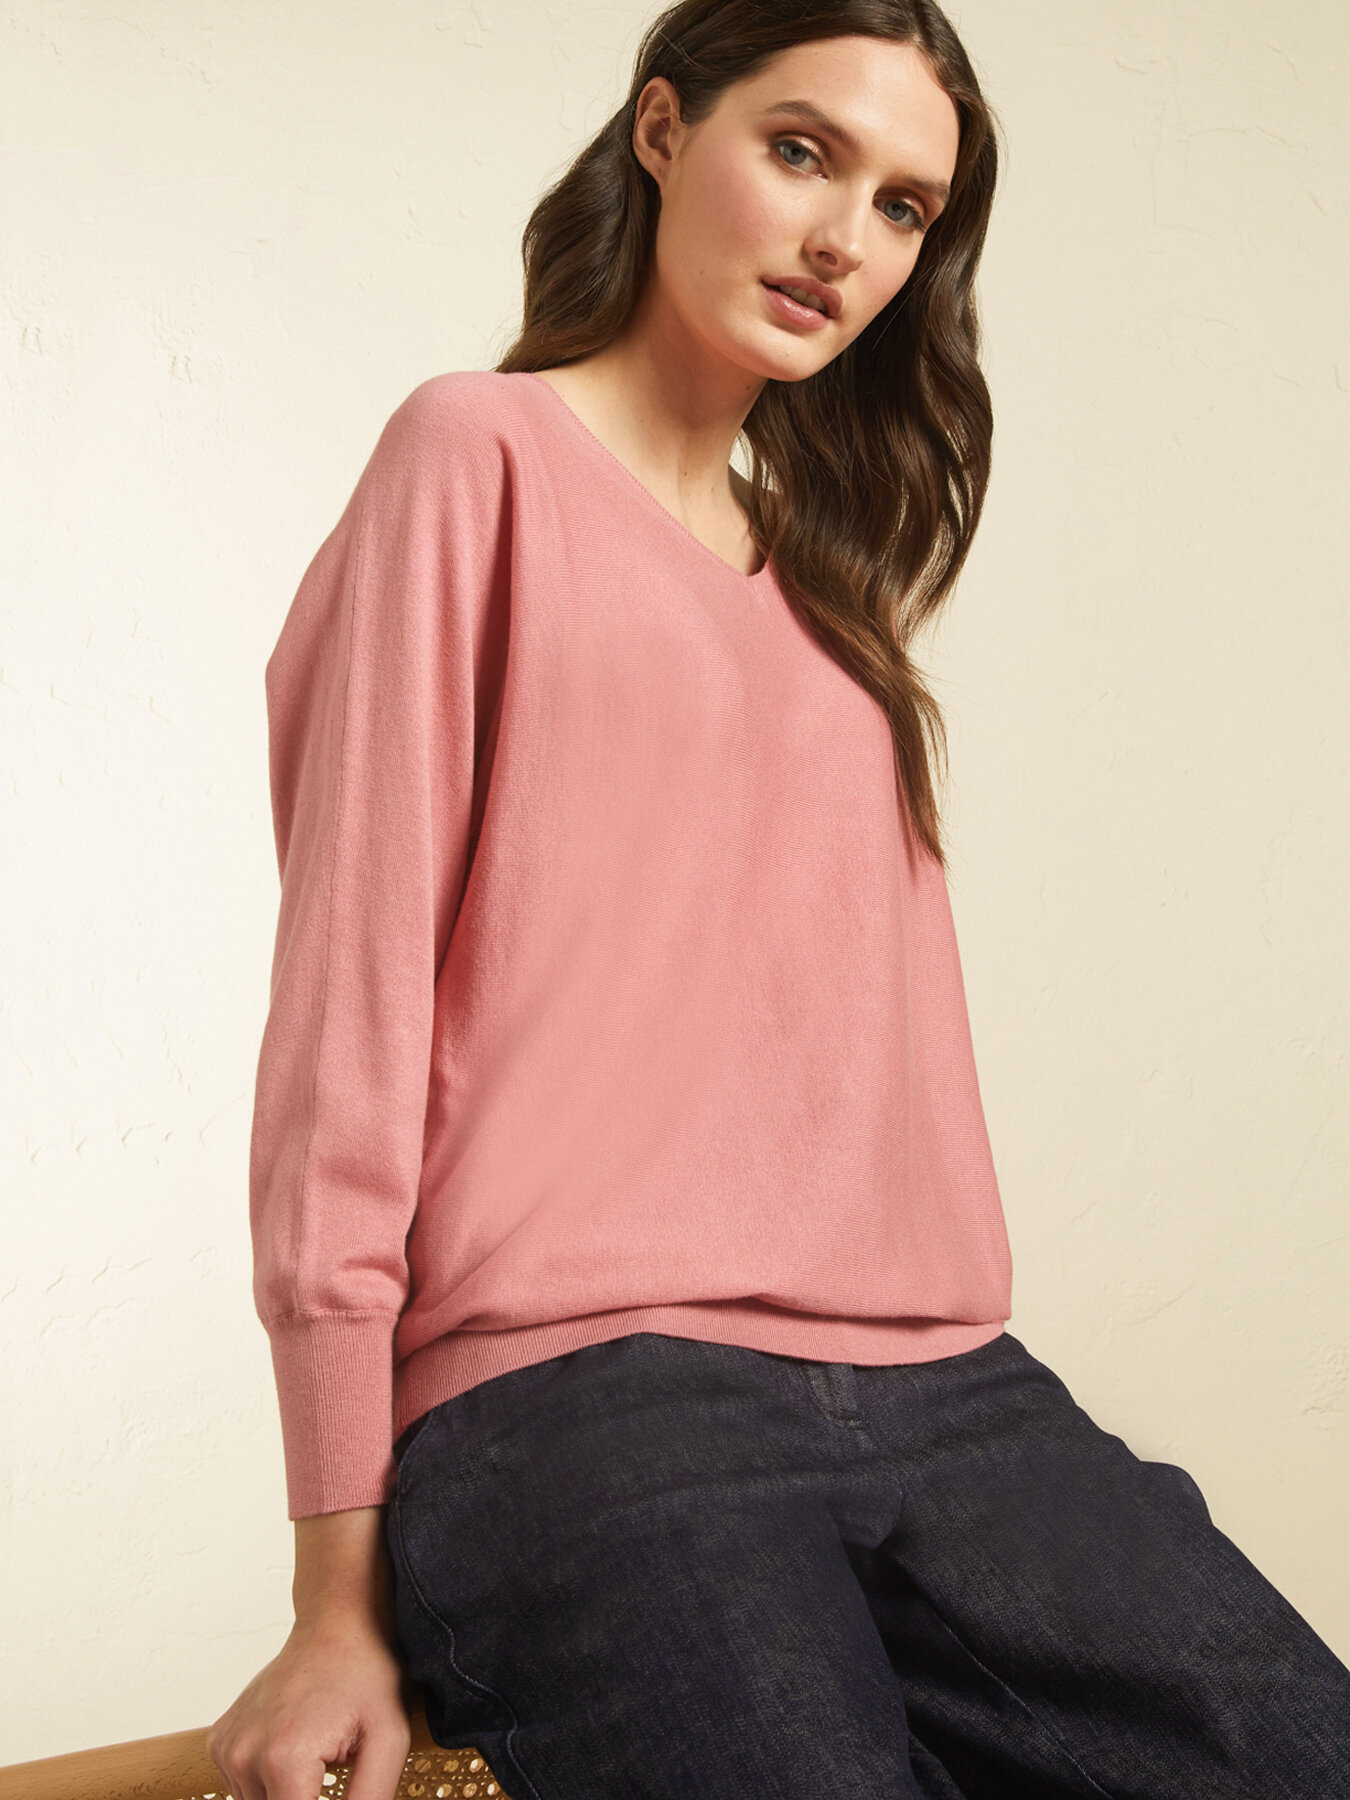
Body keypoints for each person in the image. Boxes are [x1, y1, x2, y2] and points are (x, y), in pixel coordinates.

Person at [207, 3, 1350, 1796]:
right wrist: (331, 1600)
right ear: (664, 131)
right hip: (582, 1394)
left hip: (953, 1388)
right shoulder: (475, 455)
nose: (842, 240)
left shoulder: (832, 601)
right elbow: (349, 1032)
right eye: (801, 151)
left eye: (902, 208)